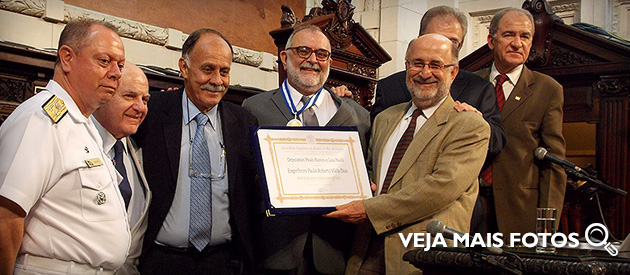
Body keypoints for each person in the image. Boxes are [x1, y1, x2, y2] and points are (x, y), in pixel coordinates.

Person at [325, 34, 490, 274]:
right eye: (417, 63)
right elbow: (371, 171)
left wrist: (369, 210)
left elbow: (441, 187)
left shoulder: (469, 125)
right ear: (406, 67)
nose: (425, 73)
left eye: (436, 65)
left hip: (422, 257)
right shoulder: (384, 118)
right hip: (365, 250)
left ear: (453, 72)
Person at [0, 19, 128, 274]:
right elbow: (5, 217)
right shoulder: (42, 120)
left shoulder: (82, 124)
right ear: (67, 58)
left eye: (120, 65)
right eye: (104, 61)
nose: (116, 73)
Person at [242, 25, 370, 274]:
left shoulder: (358, 117)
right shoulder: (253, 109)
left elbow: (368, 170)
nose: (313, 60)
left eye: (321, 54)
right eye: (303, 51)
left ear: (329, 61)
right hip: (273, 251)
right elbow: (243, 178)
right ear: (284, 57)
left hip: (336, 251)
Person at [134, 28, 260, 274]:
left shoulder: (244, 122)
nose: (217, 81)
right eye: (208, 69)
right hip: (161, 261)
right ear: (184, 67)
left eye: (224, 72)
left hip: (223, 262)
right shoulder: (152, 112)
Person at [475, 8, 566, 235]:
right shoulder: (469, 83)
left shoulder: (547, 89)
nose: (517, 43)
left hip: (520, 212)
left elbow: (554, 163)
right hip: (469, 207)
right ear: (490, 40)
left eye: (524, 36)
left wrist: (547, 225)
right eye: (509, 35)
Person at [92, 63, 151, 275]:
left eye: (144, 100)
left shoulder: (137, 152)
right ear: (104, 95)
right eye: (129, 96)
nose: (140, 107)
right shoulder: (73, 142)